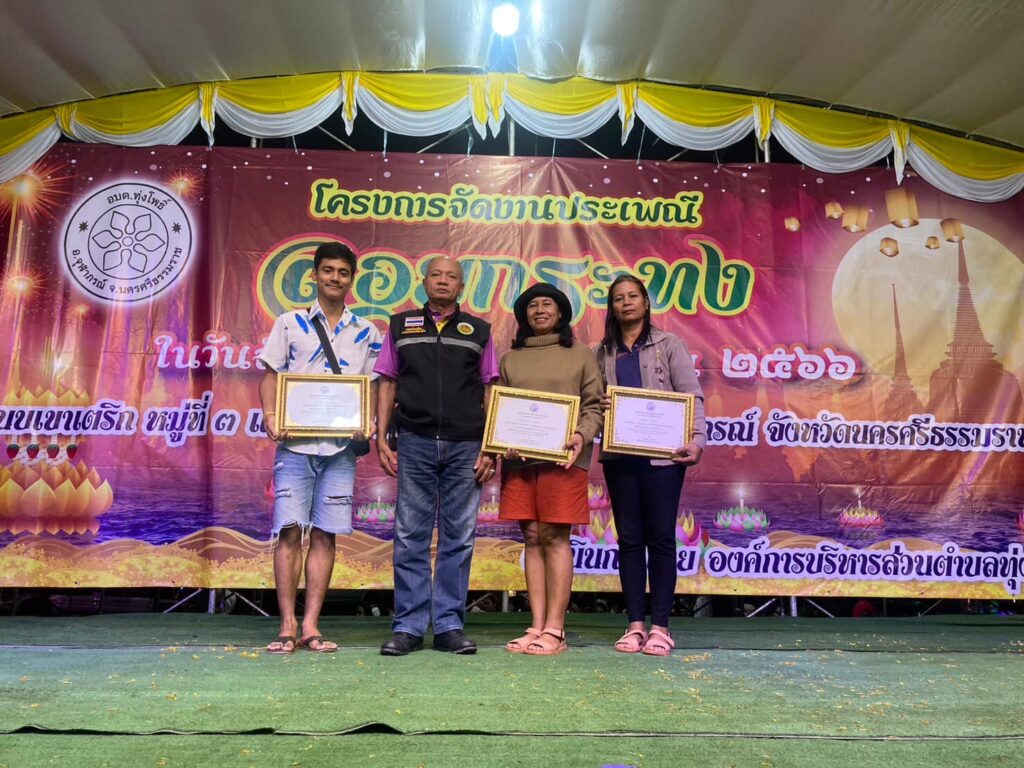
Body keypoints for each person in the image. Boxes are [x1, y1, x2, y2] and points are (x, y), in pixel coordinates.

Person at [259, 241, 382, 654]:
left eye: (343, 272)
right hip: (295, 446)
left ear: (352, 279)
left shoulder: (367, 331)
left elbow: (372, 387)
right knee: (289, 531)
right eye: (327, 270)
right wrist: (270, 415)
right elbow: (271, 375)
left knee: (326, 535)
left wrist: (369, 422)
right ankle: (286, 625)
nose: (335, 278)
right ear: (314, 275)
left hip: (340, 450)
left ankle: (311, 625)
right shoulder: (289, 323)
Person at [374, 256, 498, 656]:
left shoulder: (478, 330)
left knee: (458, 537)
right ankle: (408, 627)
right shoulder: (400, 326)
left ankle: (448, 626)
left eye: (452, 277)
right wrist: (381, 437)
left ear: (461, 286)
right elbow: (387, 381)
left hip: (467, 444)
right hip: (414, 439)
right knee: (410, 534)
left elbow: (490, 389)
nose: (443, 281)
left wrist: (491, 445)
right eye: (436, 275)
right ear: (424, 282)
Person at [596, 274, 706, 656]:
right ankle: (634, 625)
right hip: (619, 457)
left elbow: (692, 395)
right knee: (629, 540)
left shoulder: (669, 344)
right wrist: (600, 403)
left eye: (633, 296)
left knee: (660, 539)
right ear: (611, 307)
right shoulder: (601, 352)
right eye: (618, 298)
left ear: (645, 302)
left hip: (664, 458)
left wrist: (697, 440)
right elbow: (590, 400)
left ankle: (660, 627)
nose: (626, 303)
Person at [497, 283, 603, 656]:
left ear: (560, 313)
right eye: (533, 305)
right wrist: (502, 438)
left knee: (555, 536)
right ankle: (536, 625)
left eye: (548, 304)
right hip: (520, 462)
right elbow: (500, 410)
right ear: (524, 315)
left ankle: (555, 629)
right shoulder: (510, 359)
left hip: (564, 459)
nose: (540, 310)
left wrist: (581, 436)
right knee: (531, 537)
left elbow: (594, 406)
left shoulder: (581, 355)